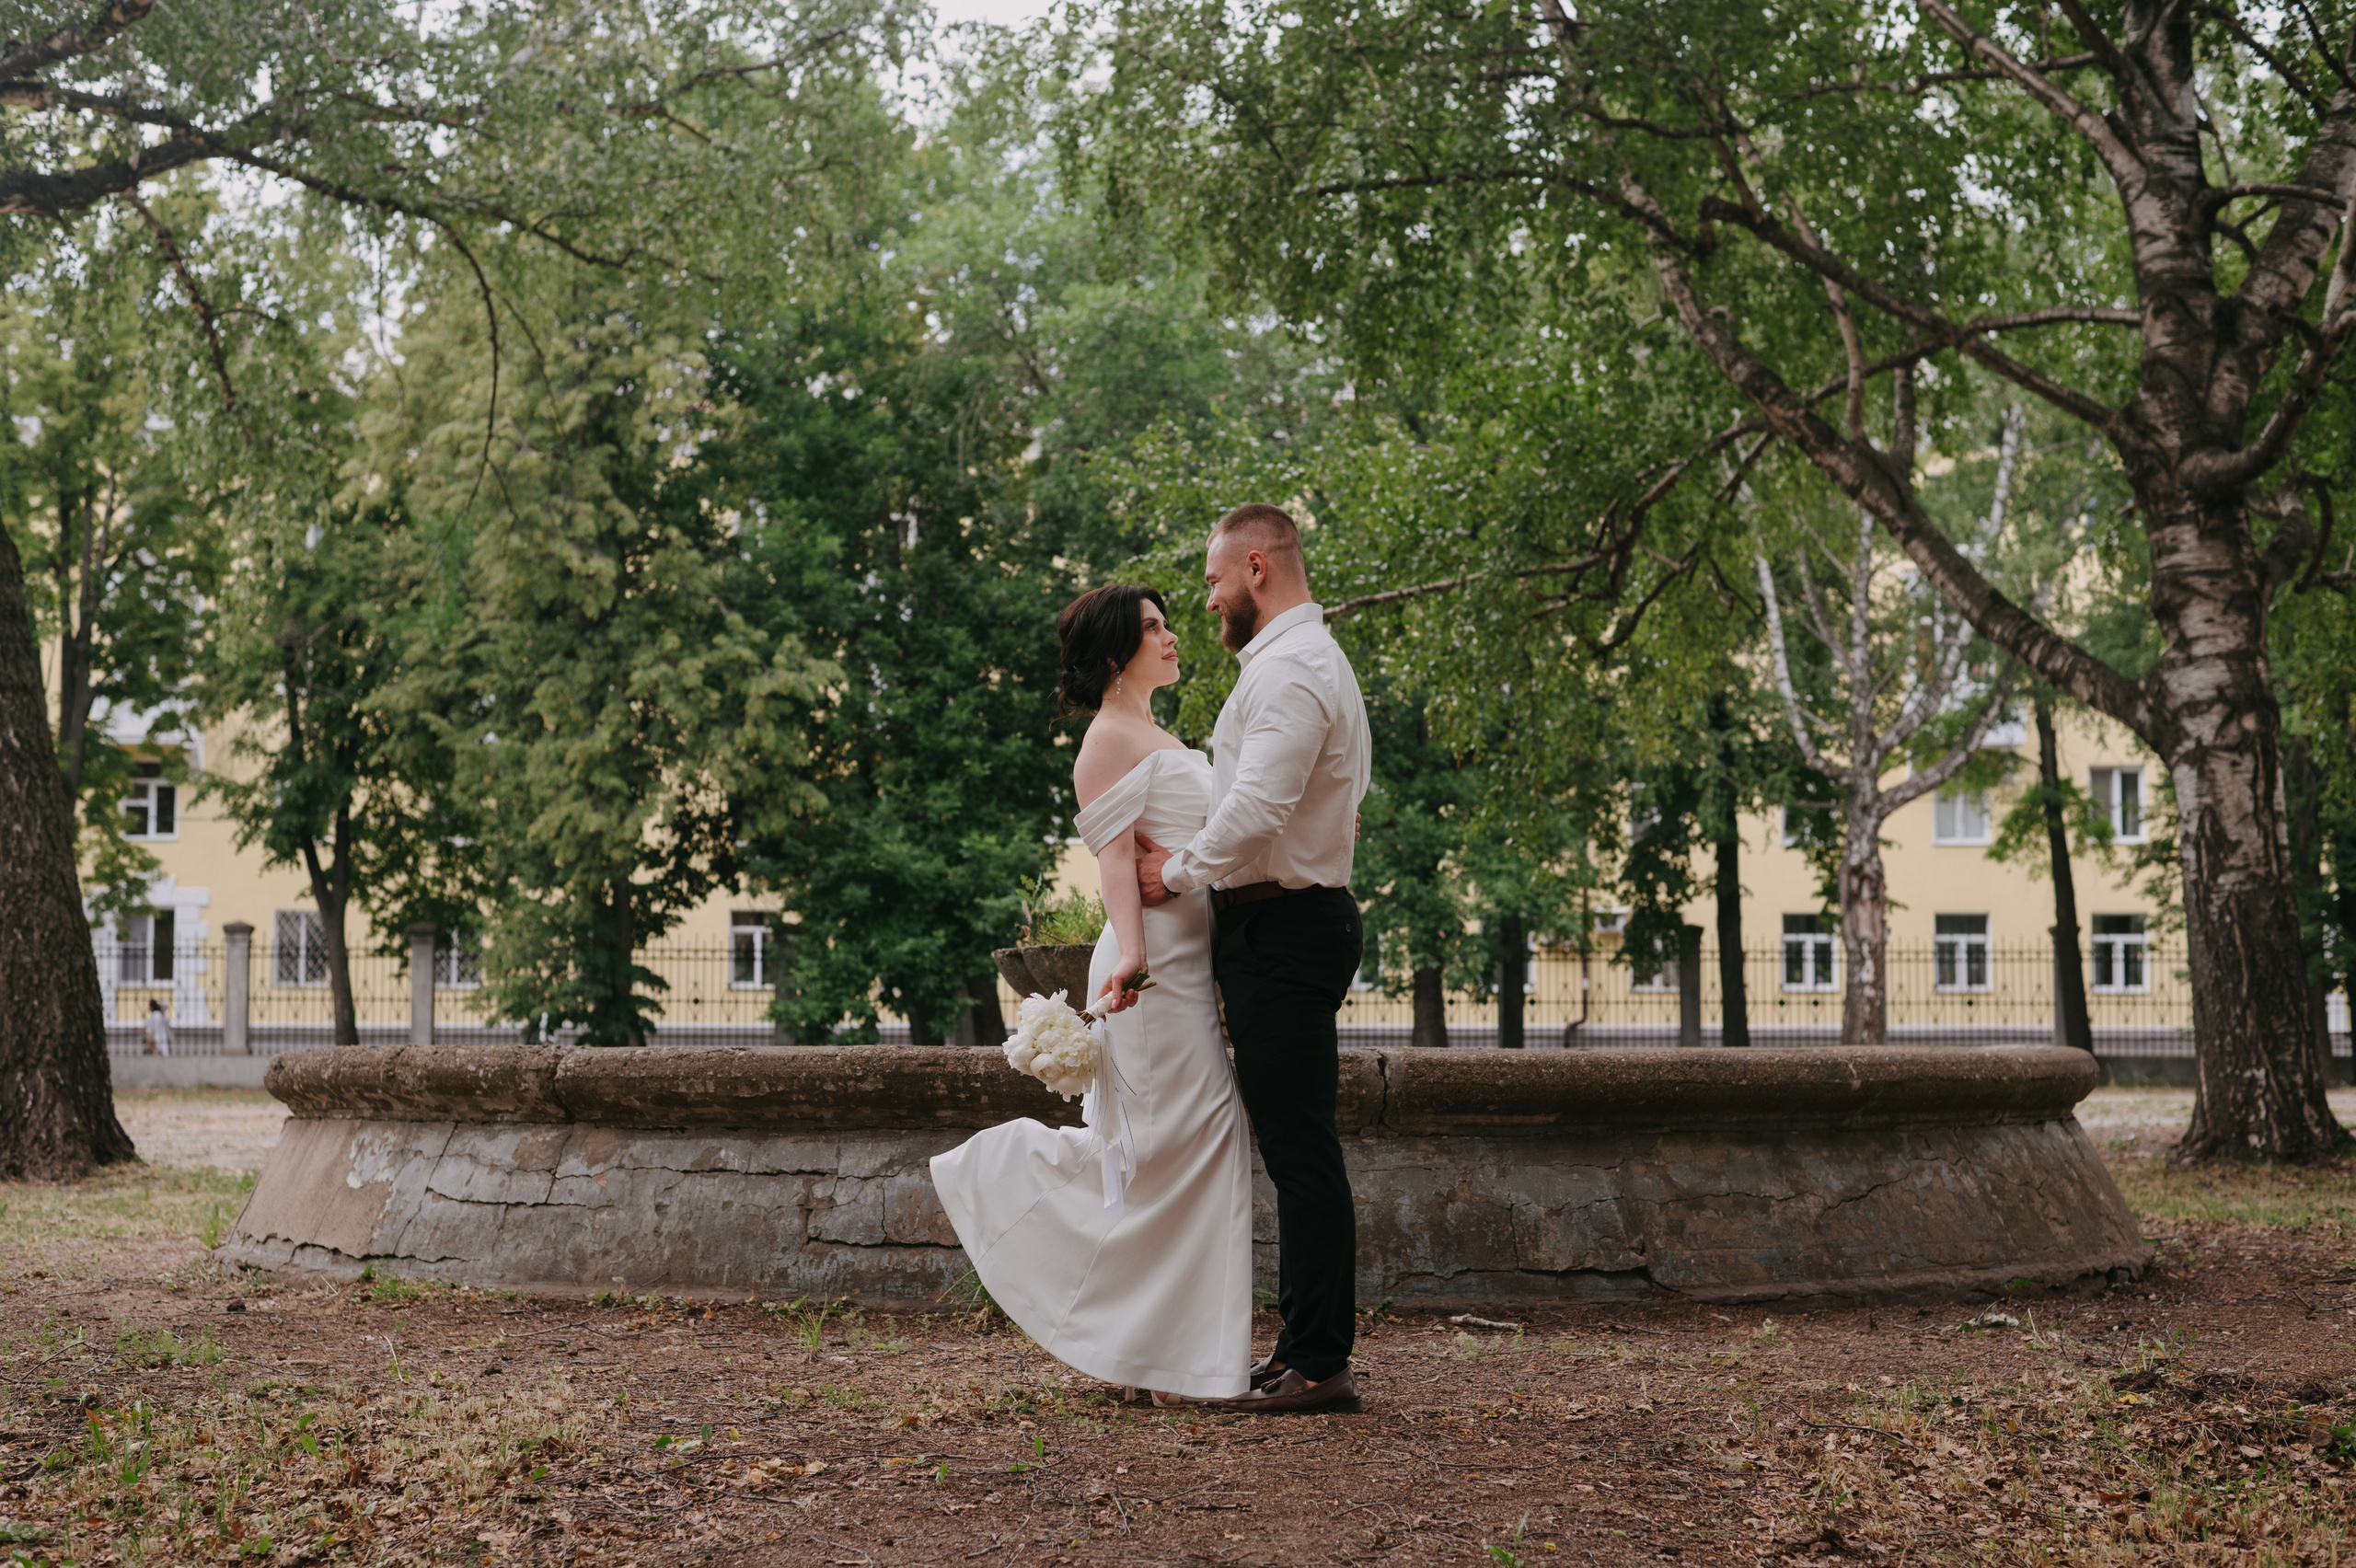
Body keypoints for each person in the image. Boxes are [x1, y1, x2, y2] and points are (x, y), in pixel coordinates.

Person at [930, 583, 1256, 1405]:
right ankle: (998, 1178)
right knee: (1175, 1146)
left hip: (1186, 963)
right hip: (1151, 975)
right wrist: (1135, 962)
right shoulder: (1106, 742)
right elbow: (1114, 863)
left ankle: (1156, 1354)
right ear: (1116, 652)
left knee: (1185, 1150)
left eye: (1169, 622)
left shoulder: (1158, 732)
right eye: (1152, 628)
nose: (1173, 635)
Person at [1134, 502, 1371, 1414]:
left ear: (1258, 566)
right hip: (1273, 927)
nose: (1207, 599)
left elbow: (1259, 811)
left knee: (1300, 1152)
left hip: (1286, 930)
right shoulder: (1287, 666)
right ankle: (1301, 1352)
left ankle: (1318, 1362)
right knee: (1292, 1147)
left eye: (1212, 580)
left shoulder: (1295, 672)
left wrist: (1176, 874)